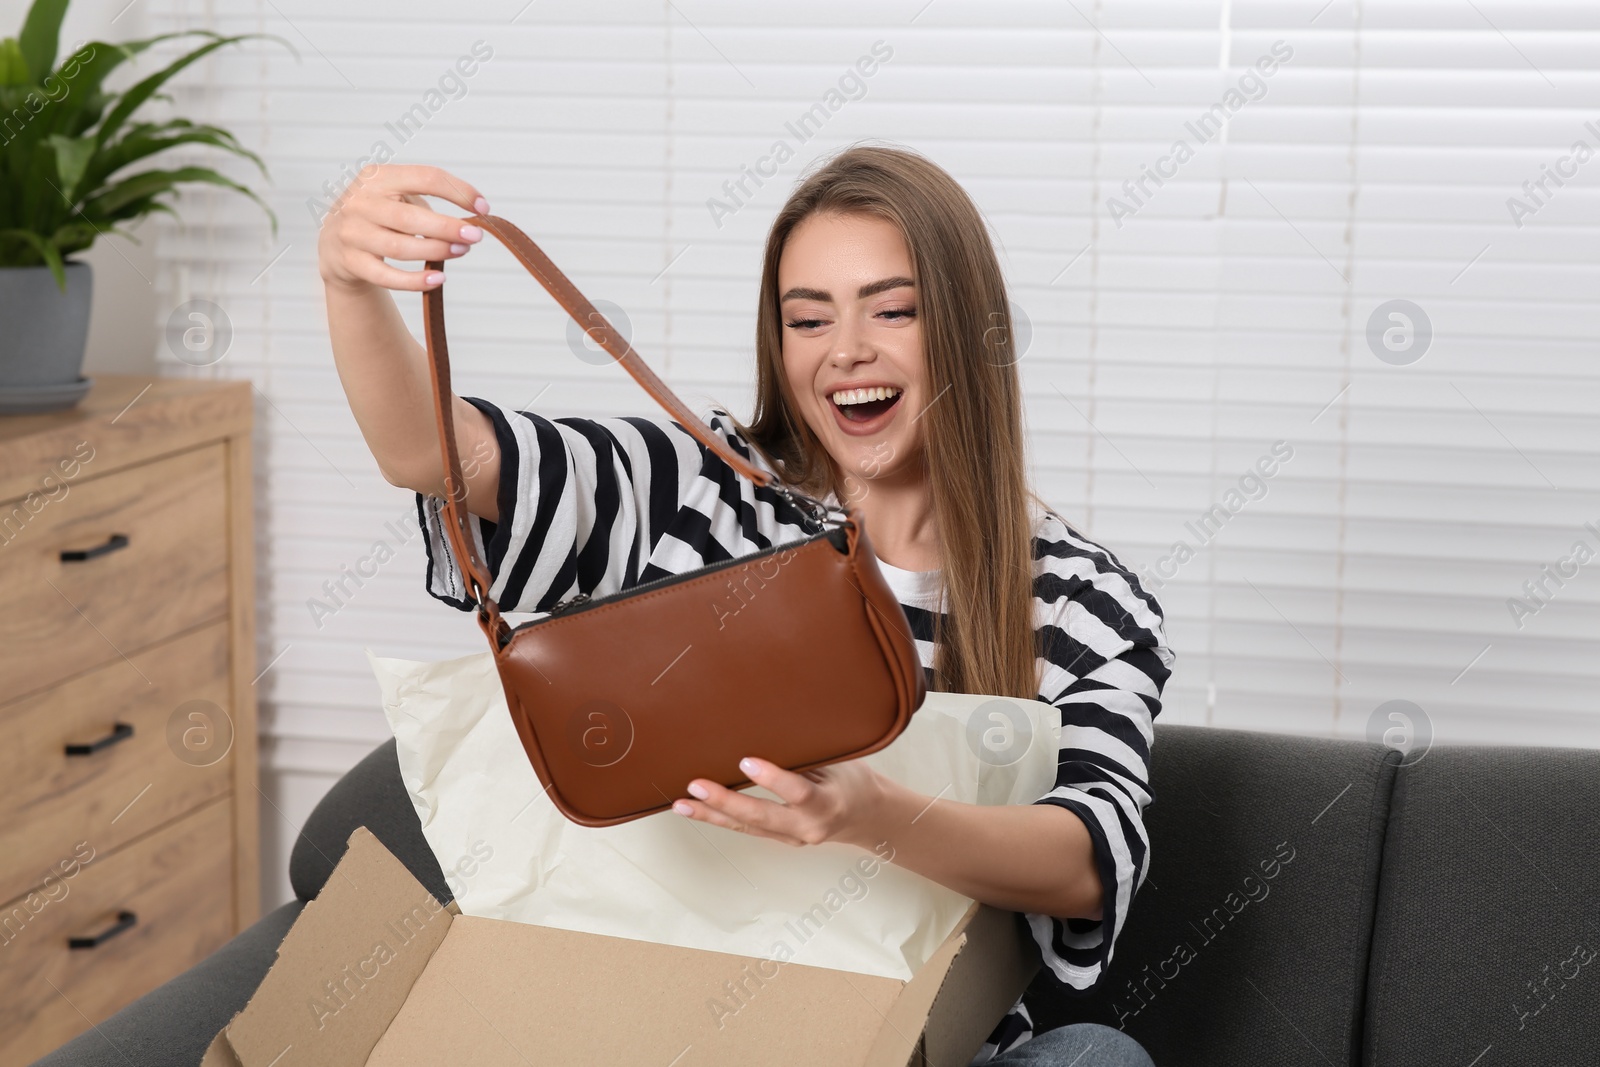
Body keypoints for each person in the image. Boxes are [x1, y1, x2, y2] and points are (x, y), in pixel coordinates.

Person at [318, 144, 1173, 1066]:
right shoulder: (698, 486)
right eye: (808, 320)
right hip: (667, 1025)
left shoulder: (1086, 598)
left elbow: (1089, 860)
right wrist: (348, 282)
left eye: (892, 310)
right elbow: (434, 454)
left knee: (1095, 1058)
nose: (846, 351)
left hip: (917, 1043)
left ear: (968, 330)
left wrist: (868, 811)